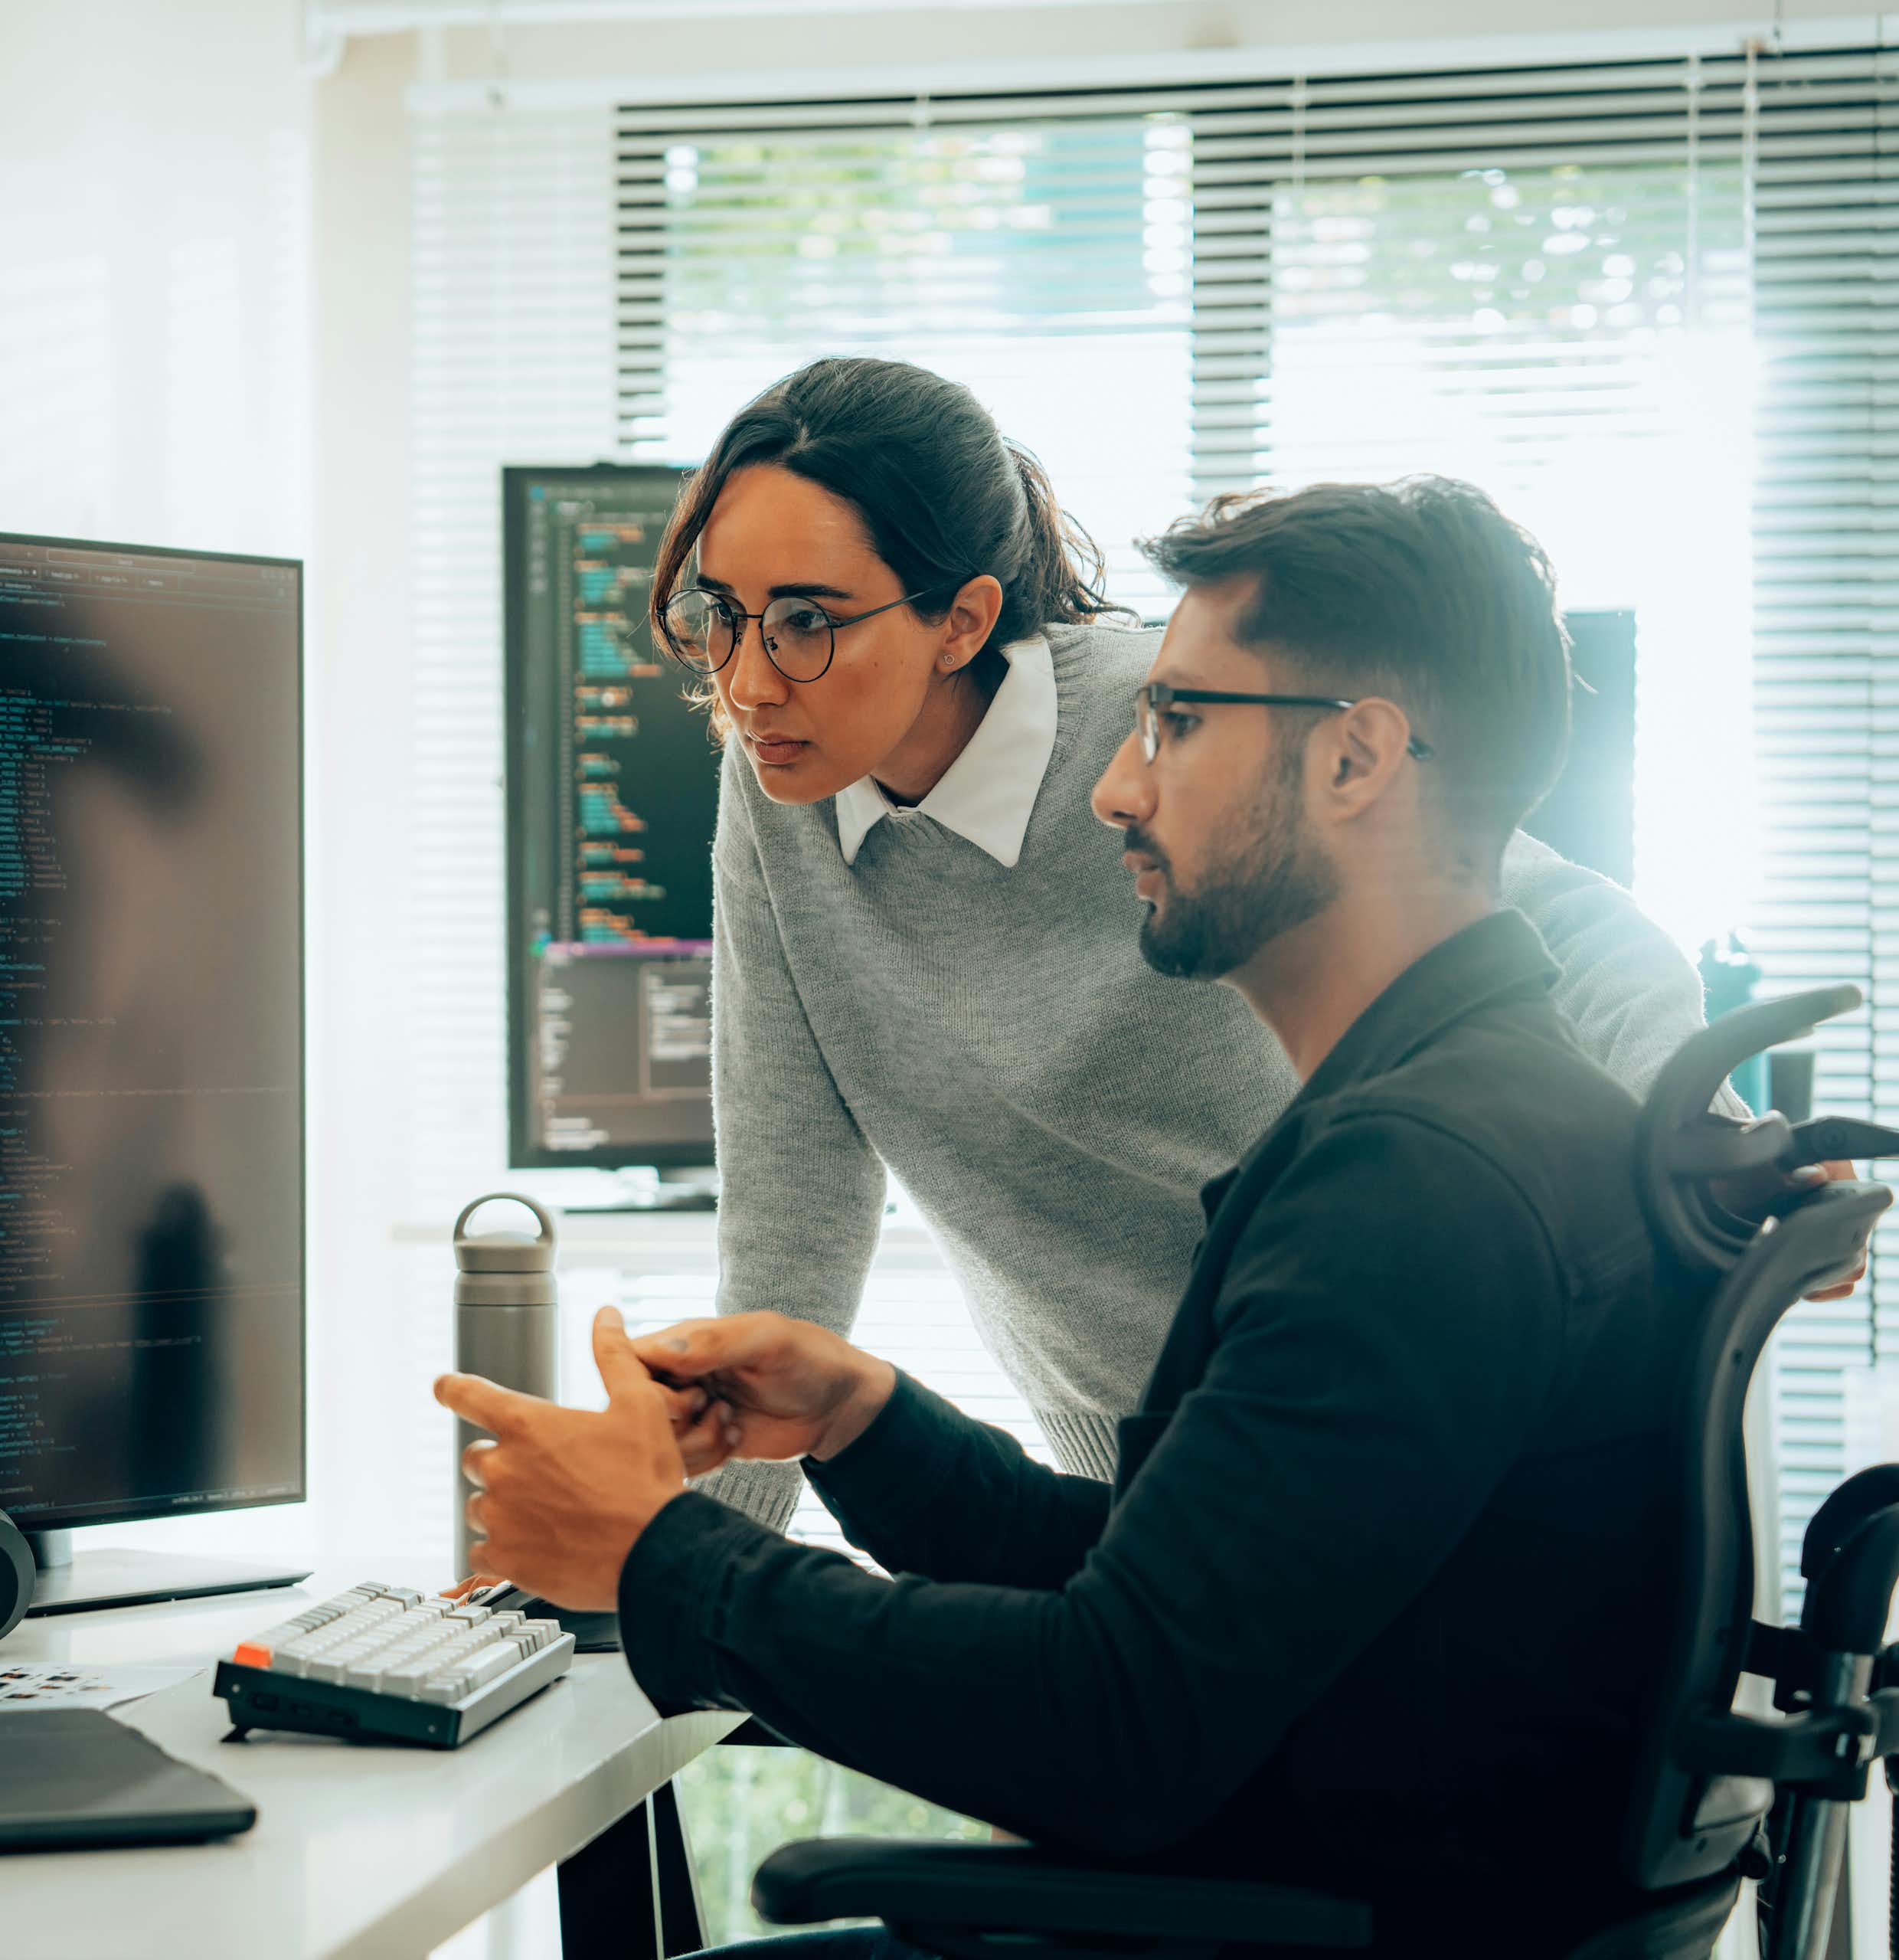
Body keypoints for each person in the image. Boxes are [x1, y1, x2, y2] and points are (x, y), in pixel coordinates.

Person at [437, 479, 1749, 1958]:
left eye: (1176, 722)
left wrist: (654, 1560)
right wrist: (871, 1426)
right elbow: (1171, 1594)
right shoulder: (1463, 1122)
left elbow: (1113, 1718)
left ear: (1359, 756)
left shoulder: (1413, 1187)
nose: (1119, 787)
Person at [662, 355, 1735, 1532]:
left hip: (1375, 1422)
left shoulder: (1176, 721)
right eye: (722, 614)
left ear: (963, 618)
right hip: (1123, 1476)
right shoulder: (777, 787)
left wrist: (1689, 1130)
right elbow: (789, 1219)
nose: (749, 680)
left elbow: (1552, 919)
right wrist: (679, 1582)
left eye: (808, 621)